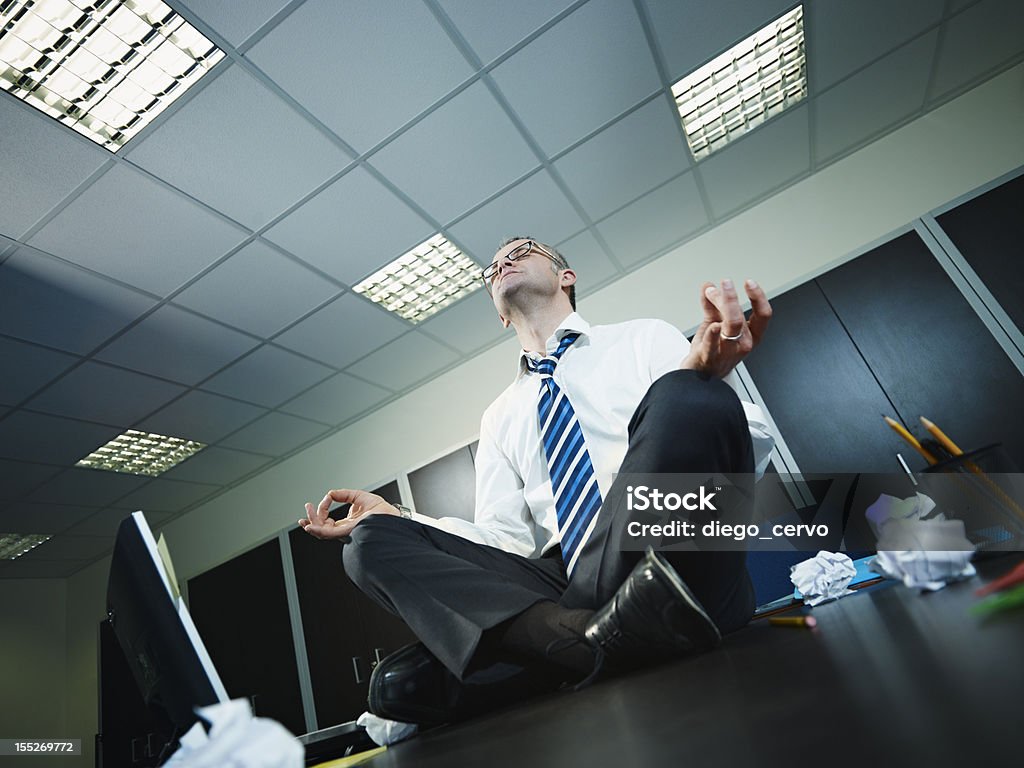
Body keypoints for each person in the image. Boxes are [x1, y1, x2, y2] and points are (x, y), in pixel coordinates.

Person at [299, 237, 774, 725]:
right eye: (492, 267)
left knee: (686, 395)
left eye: (522, 250)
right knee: (367, 545)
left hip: (669, 556)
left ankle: (561, 650)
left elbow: (744, 442)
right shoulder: (499, 417)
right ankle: (592, 639)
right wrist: (396, 516)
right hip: (568, 580)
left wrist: (701, 380)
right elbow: (504, 541)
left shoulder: (645, 338)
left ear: (566, 276)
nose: (503, 261)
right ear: (500, 315)